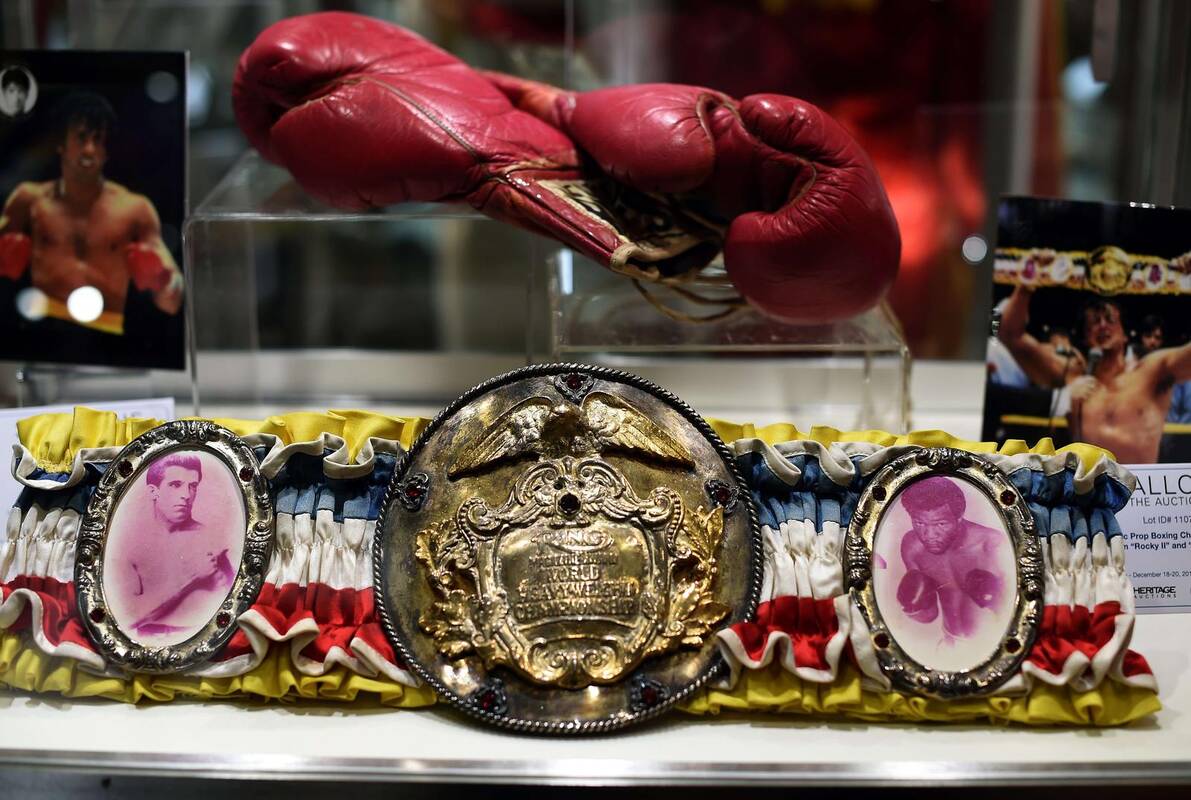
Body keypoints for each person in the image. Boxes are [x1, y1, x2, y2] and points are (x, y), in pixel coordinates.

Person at [0, 91, 182, 336]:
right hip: (38, 332)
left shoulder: (135, 208)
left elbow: (171, 303)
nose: (89, 149)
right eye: (80, 138)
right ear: (60, 144)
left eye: (98, 139)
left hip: (112, 340)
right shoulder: (27, 199)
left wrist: (162, 280)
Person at [998, 285, 1191, 463]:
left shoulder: (1152, 371)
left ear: (1125, 333)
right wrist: (1026, 285)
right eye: (1094, 322)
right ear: (1085, 337)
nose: (1103, 325)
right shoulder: (1072, 376)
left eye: (1110, 320)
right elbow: (1009, 335)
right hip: (1088, 483)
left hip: (1142, 484)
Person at [122, 454, 234, 639]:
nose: (186, 495)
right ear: (153, 491)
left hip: (214, 641)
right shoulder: (129, 544)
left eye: (193, 486)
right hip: (150, 644)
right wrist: (191, 576)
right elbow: (127, 616)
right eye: (175, 485)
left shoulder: (212, 538)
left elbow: (235, 600)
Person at [896, 477, 1004, 642]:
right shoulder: (913, 547)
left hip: (996, 640)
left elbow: (1018, 612)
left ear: (959, 517)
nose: (929, 535)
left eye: (940, 524)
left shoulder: (993, 545)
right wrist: (913, 607)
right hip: (950, 641)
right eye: (919, 523)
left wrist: (994, 599)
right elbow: (928, 616)